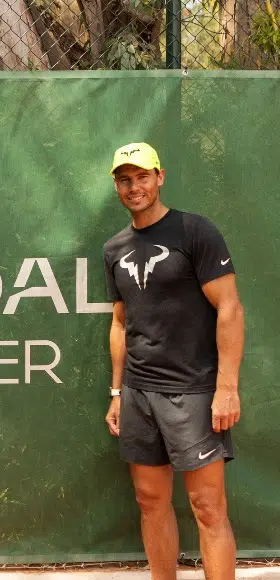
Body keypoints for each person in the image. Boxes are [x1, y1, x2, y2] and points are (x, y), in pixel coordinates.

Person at [102, 142, 245, 580]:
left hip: (193, 392)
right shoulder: (114, 248)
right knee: (150, 501)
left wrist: (226, 388)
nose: (134, 187)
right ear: (116, 187)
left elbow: (229, 308)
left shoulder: (195, 232)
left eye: (142, 177)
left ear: (160, 177)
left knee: (208, 507)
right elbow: (120, 323)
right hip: (138, 394)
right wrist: (116, 392)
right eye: (125, 180)